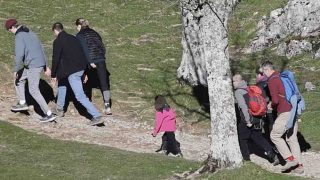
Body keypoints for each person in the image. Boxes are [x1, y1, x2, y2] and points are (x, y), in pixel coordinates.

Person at [51, 22, 103, 126]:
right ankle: (59, 109)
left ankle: (96, 115)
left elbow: (55, 59)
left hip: (72, 71)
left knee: (79, 95)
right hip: (79, 68)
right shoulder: (73, 38)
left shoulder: (58, 41)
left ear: (55, 31)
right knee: (62, 84)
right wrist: (84, 71)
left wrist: (53, 75)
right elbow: (83, 53)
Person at [5, 18, 56, 122]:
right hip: (36, 64)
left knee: (33, 90)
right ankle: (23, 103)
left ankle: (48, 114)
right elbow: (41, 48)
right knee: (19, 79)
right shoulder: (32, 33)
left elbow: (20, 54)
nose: (10, 32)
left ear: (12, 27)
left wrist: (15, 69)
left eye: (9, 30)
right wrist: (45, 66)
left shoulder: (19, 36)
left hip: (33, 65)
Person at [261, 61, 303, 173]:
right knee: (292, 138)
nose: (263, 74)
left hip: (284, 112)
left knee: (274, 135)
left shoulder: (272, 80)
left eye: (263, 71)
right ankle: (299, 167)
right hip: (293, 110)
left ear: (266, 69)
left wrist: (270, 105)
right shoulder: (281, 76)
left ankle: (290, 160)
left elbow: (275, 99)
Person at [233, 74, 278, 164]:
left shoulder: (238, 92)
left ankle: (246, 159)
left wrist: (247, 120)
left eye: (233, 81)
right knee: (258, 137)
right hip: (257, 117)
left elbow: (243, 107)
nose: (232, 83)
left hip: (247, 119)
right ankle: (272, 154)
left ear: (238, 81)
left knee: (242, 139)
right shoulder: (250, 88)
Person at [75, 18, 112, 115]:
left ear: (79, 26)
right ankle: (107, 106)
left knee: (86, 82)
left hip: (90, 60)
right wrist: (102, 56)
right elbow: (102, 46)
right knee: (104, 84)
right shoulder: (95, 33)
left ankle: (87, 104)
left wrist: (90, 61)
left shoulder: (79, 35)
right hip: (101, 58)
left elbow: (84, 49)